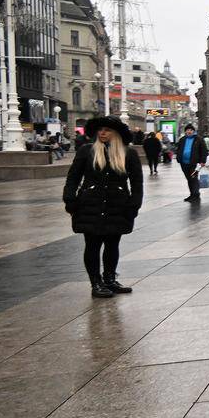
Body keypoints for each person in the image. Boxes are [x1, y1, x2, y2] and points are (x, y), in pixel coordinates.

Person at [63, 116, 143, 298]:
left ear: (115, 133)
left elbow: (137, 182)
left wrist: (134, 204)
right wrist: (70, 199)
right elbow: (73, 177)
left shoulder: (128, 153)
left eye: (107, 130)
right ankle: (95, 282)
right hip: (90, 204)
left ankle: (110, 279)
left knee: (112, 244)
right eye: (100, 130)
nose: (102, 133)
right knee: (92, 244)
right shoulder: (86, 151)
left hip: (117, 204)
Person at [174, 124, 208, 202]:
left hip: (194, 163)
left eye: (191, 130)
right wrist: (178, 157)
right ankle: (192, 194)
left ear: (193, 131)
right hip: (184, 163)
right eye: (188, 130)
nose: (189, 131)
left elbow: (204, 150)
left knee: (193, 178)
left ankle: (196, 195)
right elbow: (179, 149)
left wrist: (203, 161)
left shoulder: (198, 139)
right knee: (189, 179)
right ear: (185, 131)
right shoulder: (182, 139)